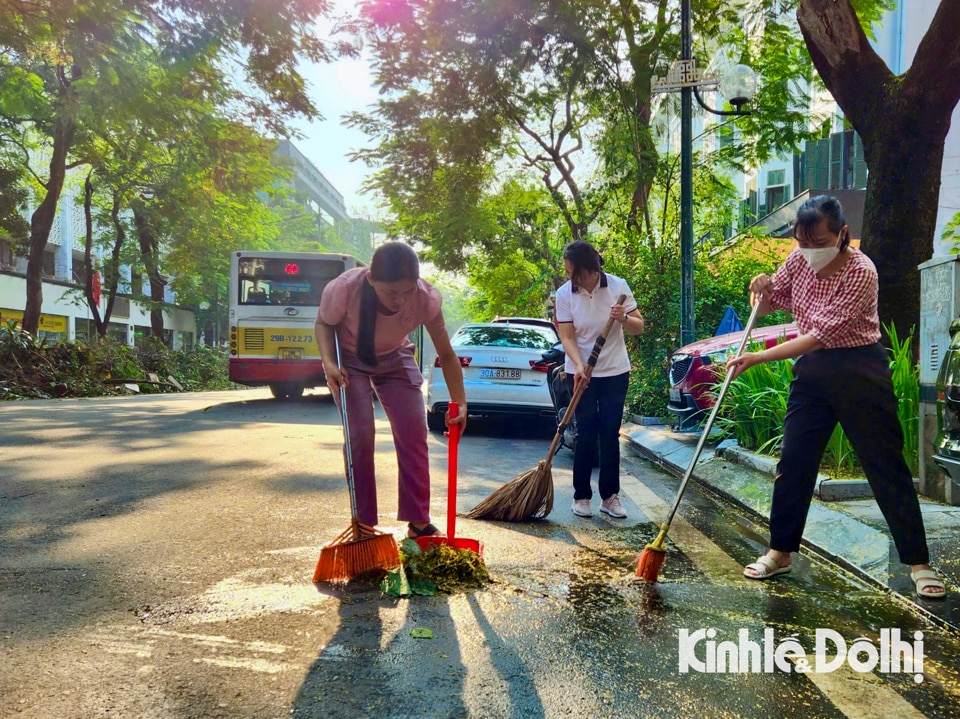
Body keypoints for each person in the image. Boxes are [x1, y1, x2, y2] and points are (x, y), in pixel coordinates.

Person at [726, 195, 946, 599]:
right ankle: (781, 551)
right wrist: (757, 287)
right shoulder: (798, 259)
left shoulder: (862, 271)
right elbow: (771, 302)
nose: (809, 251)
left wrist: (758, 357)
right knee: (793, 462)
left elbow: (817, 334)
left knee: (885, 465)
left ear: (843, 234)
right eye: (802, 242)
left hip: (859, 369)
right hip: (812, 374)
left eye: (819, 241)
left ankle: (919, 563)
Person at [315, 242, 467, 539]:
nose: (399, 301)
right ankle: (364, 527)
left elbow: (447, 355)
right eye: (391, 292)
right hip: (350, 358)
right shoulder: (344, 289)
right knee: (360, 434)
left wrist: (460, 401)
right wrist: (329, 364)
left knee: (414, 431)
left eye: (406, 292)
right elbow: (323, 323)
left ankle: (418, 523)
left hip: (395, 357)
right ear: (371, 279)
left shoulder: (426, 299)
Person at [555, 240, 644, 519]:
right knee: (585, 432)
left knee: (609, 433)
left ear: (589, 268)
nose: (570, 278)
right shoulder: (565, 294)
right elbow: (567, 336)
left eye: (574, 272)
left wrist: (622, 319)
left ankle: (610, 496)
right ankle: (581, 496)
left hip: (615, 371)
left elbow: (638, 326)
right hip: (581, 372)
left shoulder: (617, 286)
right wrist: (579, 366)